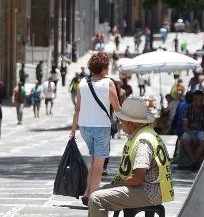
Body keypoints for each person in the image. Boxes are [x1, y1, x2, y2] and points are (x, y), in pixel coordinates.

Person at [88, 97, 174, 217]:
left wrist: (117, 185)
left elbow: (137, 178)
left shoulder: (143, 141)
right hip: (153, 188)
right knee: (98, 192)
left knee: (96, 199)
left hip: (148, 191)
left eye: (121, 121)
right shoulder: (147, 133)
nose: (120, 124)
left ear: (130, 123)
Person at [69, 52, 122, 206]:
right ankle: (93, 197)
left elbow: (77, 109)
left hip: (85, 127)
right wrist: (126, 123)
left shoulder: (82, 83)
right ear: (104, 67)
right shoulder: (109, 83)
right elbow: (117, 108)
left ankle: (87, 192)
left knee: (93, 160)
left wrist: (73, 130)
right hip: (101, 127)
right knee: (99, 165)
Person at [181, 90, 204, 169]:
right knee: (184, 140)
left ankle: (193, 161)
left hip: (201, 131)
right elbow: (185, 126)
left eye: (202, 100)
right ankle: (194, 161)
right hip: (190, 130)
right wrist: (193, 135)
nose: (201, 102)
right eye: (199, 100)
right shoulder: (188, 109)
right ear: (194, 100)